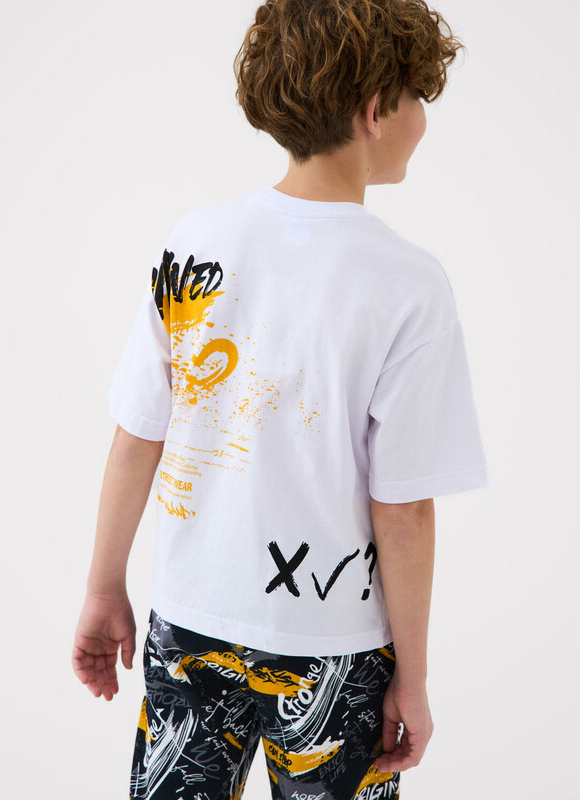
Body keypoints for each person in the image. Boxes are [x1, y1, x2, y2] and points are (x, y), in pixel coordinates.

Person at [72, 0, 488, 798]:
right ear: (376, 110)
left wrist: (102, 587)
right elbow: (404, 509)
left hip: (190, 627)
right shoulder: (409, 285)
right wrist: (414, 676)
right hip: (337, 648)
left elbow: (136, 436)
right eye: (417, 98)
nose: (423, 121)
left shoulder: (196, 241)